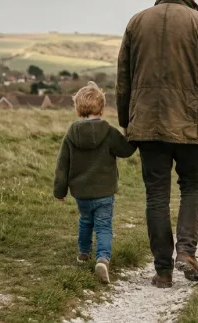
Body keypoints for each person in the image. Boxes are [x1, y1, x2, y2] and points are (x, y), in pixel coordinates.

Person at [117, 0, 198, 288]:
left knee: (156, 194)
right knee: (192, 186)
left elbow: (123, 80)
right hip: (190, 125)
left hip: (147, 124)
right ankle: (186, 252)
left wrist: (127, 121)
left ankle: (163, 271)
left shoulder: (136, 22)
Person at [53, 81, 137, 283]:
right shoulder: (108, 131)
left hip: (81, 192)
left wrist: (60, 191)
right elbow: (126, 151)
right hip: (104, 192)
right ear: (102, 108)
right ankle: (102, 259)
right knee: (104, 226)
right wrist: (129, 135)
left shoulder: (71, 133)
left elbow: (62, 164)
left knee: (85, 221)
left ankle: (83, 253)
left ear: (78, 107)